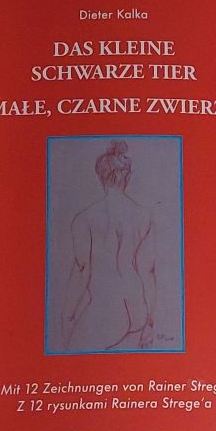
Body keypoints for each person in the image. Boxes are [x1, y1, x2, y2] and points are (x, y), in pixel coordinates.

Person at [61, 140, 158, 351]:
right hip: (137, 309)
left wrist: (67, 315)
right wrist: (150, 320)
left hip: (107, 311)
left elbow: (82, 271)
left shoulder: (84, 219)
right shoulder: (144, 216)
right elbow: (147, 271)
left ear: (101, 176)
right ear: (128, 177)